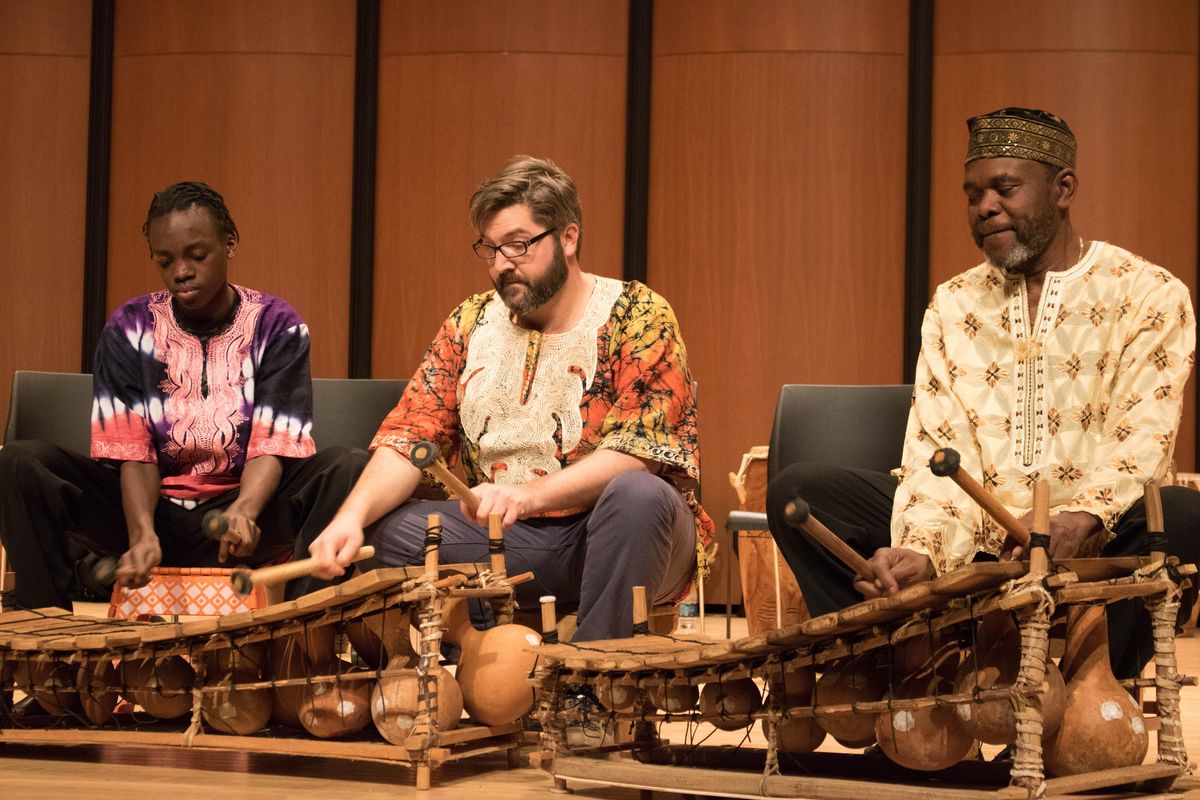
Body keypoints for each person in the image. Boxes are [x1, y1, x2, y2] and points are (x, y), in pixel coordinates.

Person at [766, 108, 1200, 679]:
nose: (985, 207)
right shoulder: (954, 304)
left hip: (1094, 536)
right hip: (972, 537)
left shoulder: (1150, 294)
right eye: (972, 194)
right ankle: (905, 684)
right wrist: (921, 547)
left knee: (1184, 515)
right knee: (801, 491)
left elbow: (1145, 438)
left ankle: (1084, 697)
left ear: (1063, 188)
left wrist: (1082, 517)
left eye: (1005, 188)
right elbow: (936, 441)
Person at [309, 156, 711, 642]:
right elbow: (409, 434)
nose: (502, 264)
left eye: (519, 245)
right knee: (381, 536)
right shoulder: (468, 322)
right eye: (491, 248)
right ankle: (475, 660)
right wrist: (349, 520)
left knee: (638, 496)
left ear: (568, 237)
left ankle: (593, 685)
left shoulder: (637, 314)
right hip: (510, 540)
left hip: (621, 536)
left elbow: (638, 455)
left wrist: (530, 494)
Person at [0, 182, 367, 611]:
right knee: (19, 463)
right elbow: (132, 453)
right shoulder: (130, 328)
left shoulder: (276, 325)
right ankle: (48, 633)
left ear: (229, 244)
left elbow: (273, 444)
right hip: (152, 517)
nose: (181, 271)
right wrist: (141, 535)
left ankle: (303, 638)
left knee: (348, 467)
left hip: (246, 520)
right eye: (165, 260)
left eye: (196, 255)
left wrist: (245, 512)